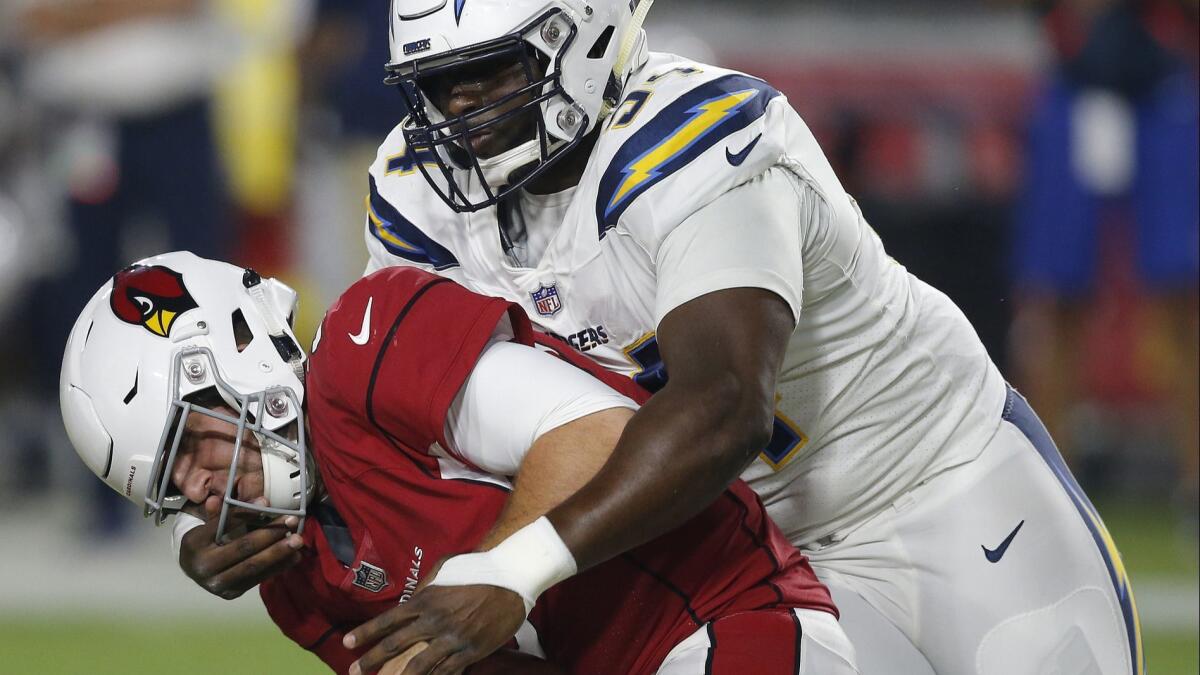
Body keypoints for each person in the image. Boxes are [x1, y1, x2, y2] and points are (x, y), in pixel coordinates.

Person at [176, 2, 1143, 673]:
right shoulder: (416, 193)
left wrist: (513, 572)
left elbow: (723, 405)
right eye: (439, 85)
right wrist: (269, 508)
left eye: (487, 75)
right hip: (751, 551)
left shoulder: (703, 140)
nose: (459, 113)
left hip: (935, 483)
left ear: (585, 37)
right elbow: (416, 419)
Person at [60, 251, 858, 674]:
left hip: (723, 613)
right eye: (170, 488)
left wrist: (504, 574)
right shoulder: (299, 586)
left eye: (190, 444)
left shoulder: (364, 353)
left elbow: (595, 431)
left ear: (240, 355)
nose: (200, 491)